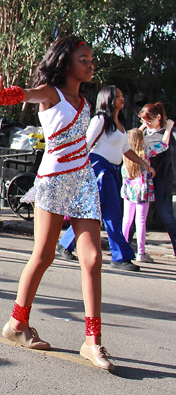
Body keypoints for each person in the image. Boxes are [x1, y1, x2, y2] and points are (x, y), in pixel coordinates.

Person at [0, 35, 113, 370]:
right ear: (66, 61)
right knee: (43, 255)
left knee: (94, 257)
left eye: (91, 59)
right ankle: (17, 324)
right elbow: (19, 95)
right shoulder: (51, 93)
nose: (90, 63)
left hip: (83, 183)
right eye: (83, 58)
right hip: (53, 181)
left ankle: (92, 341)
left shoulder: (84, 103)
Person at [56, 86, 154, 271]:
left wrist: (144, 164)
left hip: (112, 171)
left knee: (94, 213)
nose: (121, 99)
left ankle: (65, 243)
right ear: (107, 99)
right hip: (99, 170)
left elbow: (125, 149)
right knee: (112, 214)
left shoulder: (120, 123)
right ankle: (120, 257)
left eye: (122, 95)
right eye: (118, 96)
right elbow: (85, 146)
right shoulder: (100, 120)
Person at [139, 102, 176, 258]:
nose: (147, 123)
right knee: (137, 217)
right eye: (144, 121)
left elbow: (165, 146)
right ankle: (128, 250)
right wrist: (142, 128)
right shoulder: (144, 133)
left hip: (161, 179)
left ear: (159, 117)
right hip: (142, 180)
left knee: (166, 215)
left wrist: (168, 128)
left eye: (149, 120)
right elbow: (131, 138)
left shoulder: (168, 134)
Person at [122, 129, 155, 263]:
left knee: (127, 220)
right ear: (141, 139)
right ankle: (141, 252)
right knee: (141, 221)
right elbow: (164, 145)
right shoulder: (146, 152)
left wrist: (140, 128)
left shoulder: (124, 153)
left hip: (128, 191)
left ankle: (122, 248)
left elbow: (133, 136)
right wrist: (169, 129)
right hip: (143, 192)